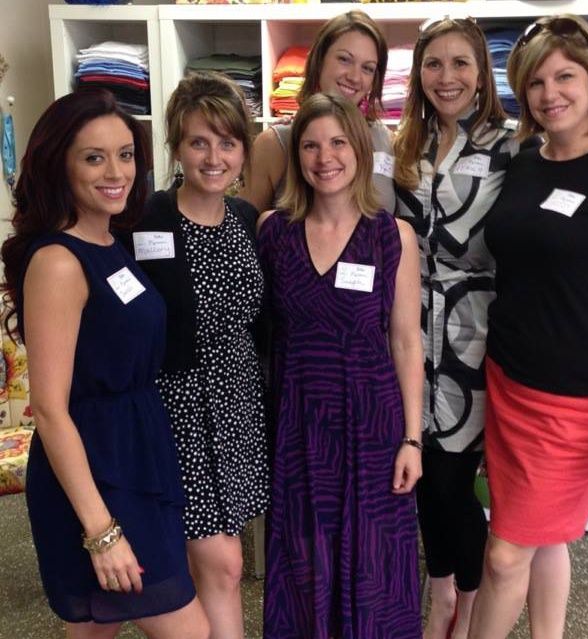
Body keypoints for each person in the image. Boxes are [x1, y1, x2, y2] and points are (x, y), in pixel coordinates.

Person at [0, 89, 209, 638]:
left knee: (97, 626)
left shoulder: (110, 241)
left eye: (125, 154)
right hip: (95, 473)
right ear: (59, 165)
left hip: (136, 455)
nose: (116, 172)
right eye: (94, 157)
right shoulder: (59, 261)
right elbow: (49, 409)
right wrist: (101, 530)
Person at [467, 14, 588, 639]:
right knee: (544, 537)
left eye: (565, 76)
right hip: (510, 384)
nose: (550, 93)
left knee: (505, 554)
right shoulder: (524, 162)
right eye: (535, 82)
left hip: (578, 403)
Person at [257, 92, 423, 639]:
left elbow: (406, 342)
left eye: (337, 143)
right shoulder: (273, 232)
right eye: (310, 145)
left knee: (374, 562)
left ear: (358, 150)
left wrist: (413, 440)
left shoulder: (392, 236)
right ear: (296, 157)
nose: (324, 157)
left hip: (372, 426)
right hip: (299, 425)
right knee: (303, 559)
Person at [393, 18, 528, 639]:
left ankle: (468, 603)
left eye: (460, 63)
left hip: (473, 329)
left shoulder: (513, 145)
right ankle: (441, 593)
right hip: (405, 328)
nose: (446, 77)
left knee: (452, 480)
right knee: (420, 475)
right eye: (433, 64)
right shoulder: (405, 143)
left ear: (482, 73)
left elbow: (575, 166)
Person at [128, 72, 268, 639]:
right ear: (177, 147)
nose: (214, 158)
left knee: (213, 563)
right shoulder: (145, 220)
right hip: (176, 410)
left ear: (243, 149)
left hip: (237, 404)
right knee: (224, 562)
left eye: (227, 143)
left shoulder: (247, 221)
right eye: (198, 142)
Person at [241, 10, 396, 214]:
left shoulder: (385, 140)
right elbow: (243, 226)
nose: (354, 77)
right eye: (344, 59)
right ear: (319, 60)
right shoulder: (275, 144)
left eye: (368, 68)